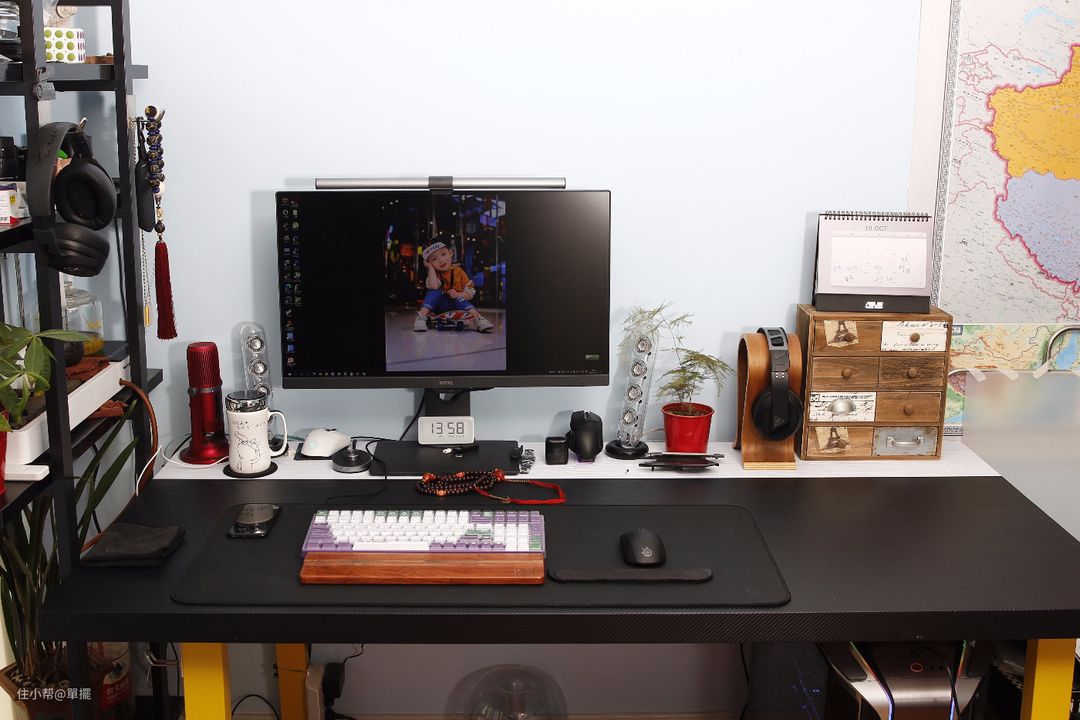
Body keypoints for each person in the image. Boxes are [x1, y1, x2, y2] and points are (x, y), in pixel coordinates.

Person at [413, 240, 494, 332]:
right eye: (434, 259)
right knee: (435, 291)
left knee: (459, 297)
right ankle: (421, 316)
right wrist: (430, 268)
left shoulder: (459, 272)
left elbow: (470, 294)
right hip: (437, 307)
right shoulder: (434, 274)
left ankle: (478, 318)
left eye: (443, 254)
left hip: (455, 305)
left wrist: (459, 294)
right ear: (429, 262)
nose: (441, 260)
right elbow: (434, 287)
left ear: (450, 253)